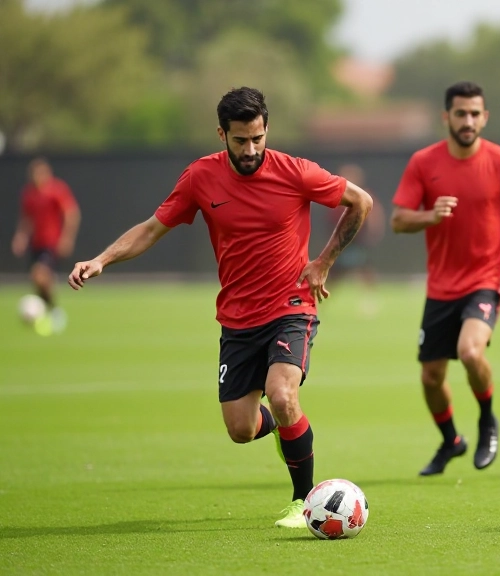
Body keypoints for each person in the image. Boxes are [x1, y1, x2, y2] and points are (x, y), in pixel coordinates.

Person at [67, 87, 373, 528]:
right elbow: (153, 228)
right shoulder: (200, 178)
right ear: (221, 134)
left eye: (257, 138)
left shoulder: (296, 172)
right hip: (237, 318)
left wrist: (323, 261)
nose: (250, 150)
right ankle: (287, 432)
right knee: (240, 430)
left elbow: (360, 202)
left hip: (292, 305)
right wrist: (101, 260)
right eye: (240, 141)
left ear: (267, 130)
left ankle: (302, 499)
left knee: (285, 396)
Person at [391, 81, 500, 476]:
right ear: (446, 117)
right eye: (460, 113)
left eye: (475, 113)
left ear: (485, 117)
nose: (468, 120)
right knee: (431, 376)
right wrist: (429, 216)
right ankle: (451, 440)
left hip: (485, 280)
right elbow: (398, 220)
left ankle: (488, 419)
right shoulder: (424, 162)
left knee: (471, 352)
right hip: (440, 287)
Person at [11, 158, 80, 335]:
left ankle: (55, 312)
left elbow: (71, 213)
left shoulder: (56, 189)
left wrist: (67, 238)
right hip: (36, 244)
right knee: (39, 281)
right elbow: (26, 219)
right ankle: (45, 311)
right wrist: (21, 237)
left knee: (39, 275)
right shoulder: (29, 193)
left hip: (51, 243)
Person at [325, 163, 386, 315]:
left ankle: (369, 301)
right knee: (333, 273)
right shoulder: (336, 194)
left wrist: (373, 232)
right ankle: (320, 301)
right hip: (340, 242)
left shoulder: (364, 194)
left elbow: (374, 214)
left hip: (358, 241)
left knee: (365, 270)